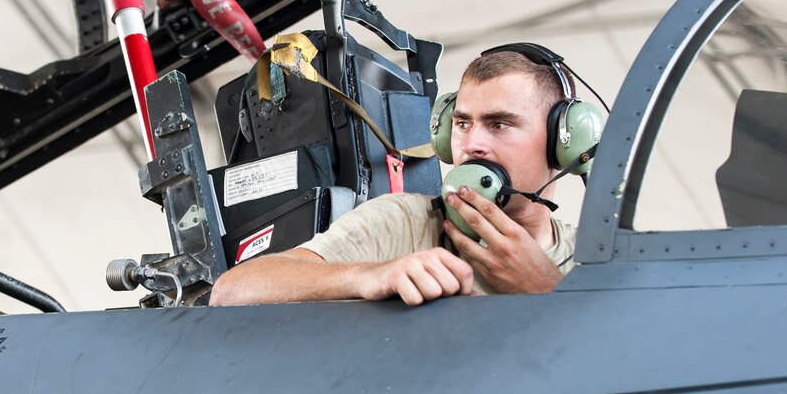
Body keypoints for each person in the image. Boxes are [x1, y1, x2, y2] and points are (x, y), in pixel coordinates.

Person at [209, 48, 579, 307]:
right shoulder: (404, 221)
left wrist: (547, 291)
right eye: (463, 124)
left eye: (500, 124)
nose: (472, 144)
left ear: (563, 144)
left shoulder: (598, 259)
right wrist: (368, 275)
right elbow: (232, 291)